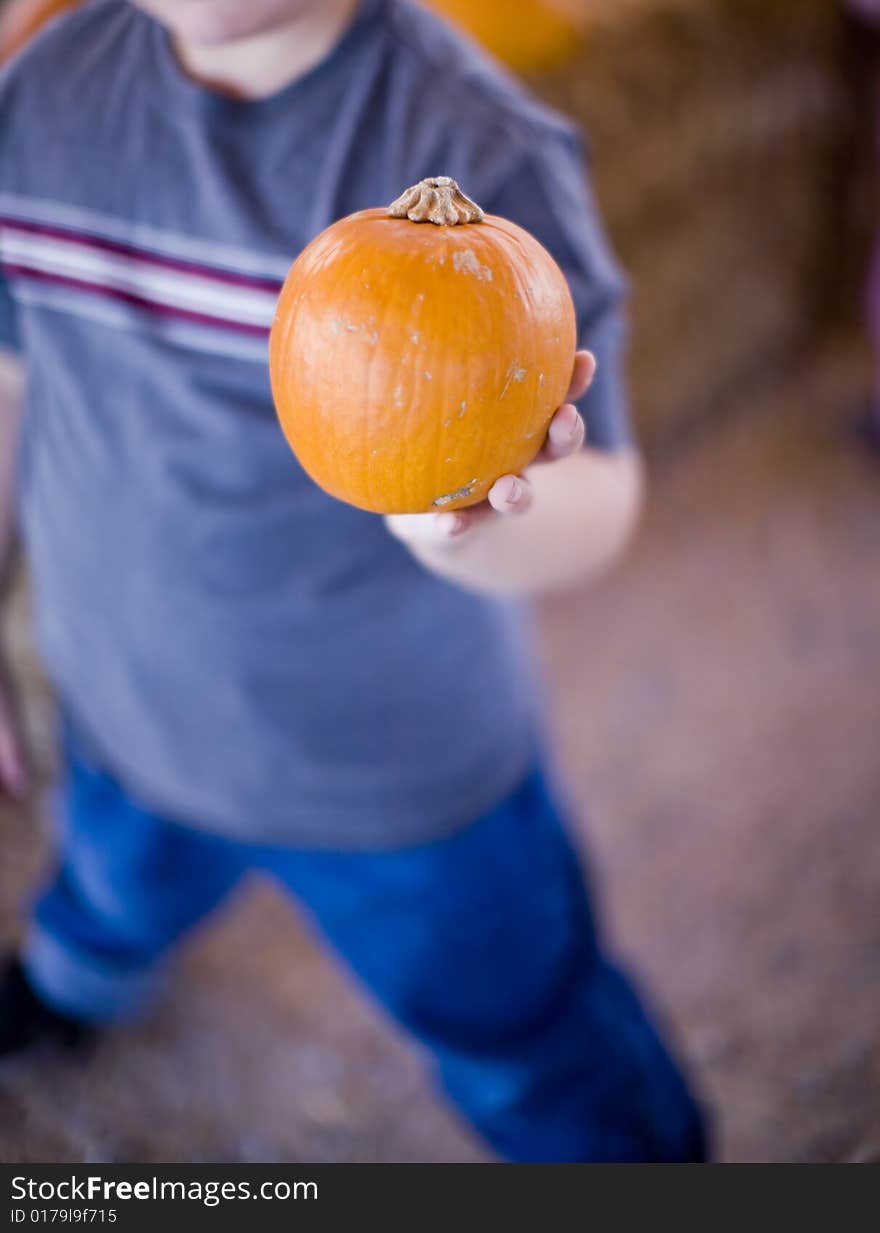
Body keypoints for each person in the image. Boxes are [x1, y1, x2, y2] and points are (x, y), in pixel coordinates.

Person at [0, 0, 707, 1162]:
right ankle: (79, 979)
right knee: (111, 886)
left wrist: (463, 526)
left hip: (389, 776)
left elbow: (602, 499)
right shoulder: (45, 88)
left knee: (512, 1026)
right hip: (122, 707)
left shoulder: (481, 145)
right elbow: (14, 376)